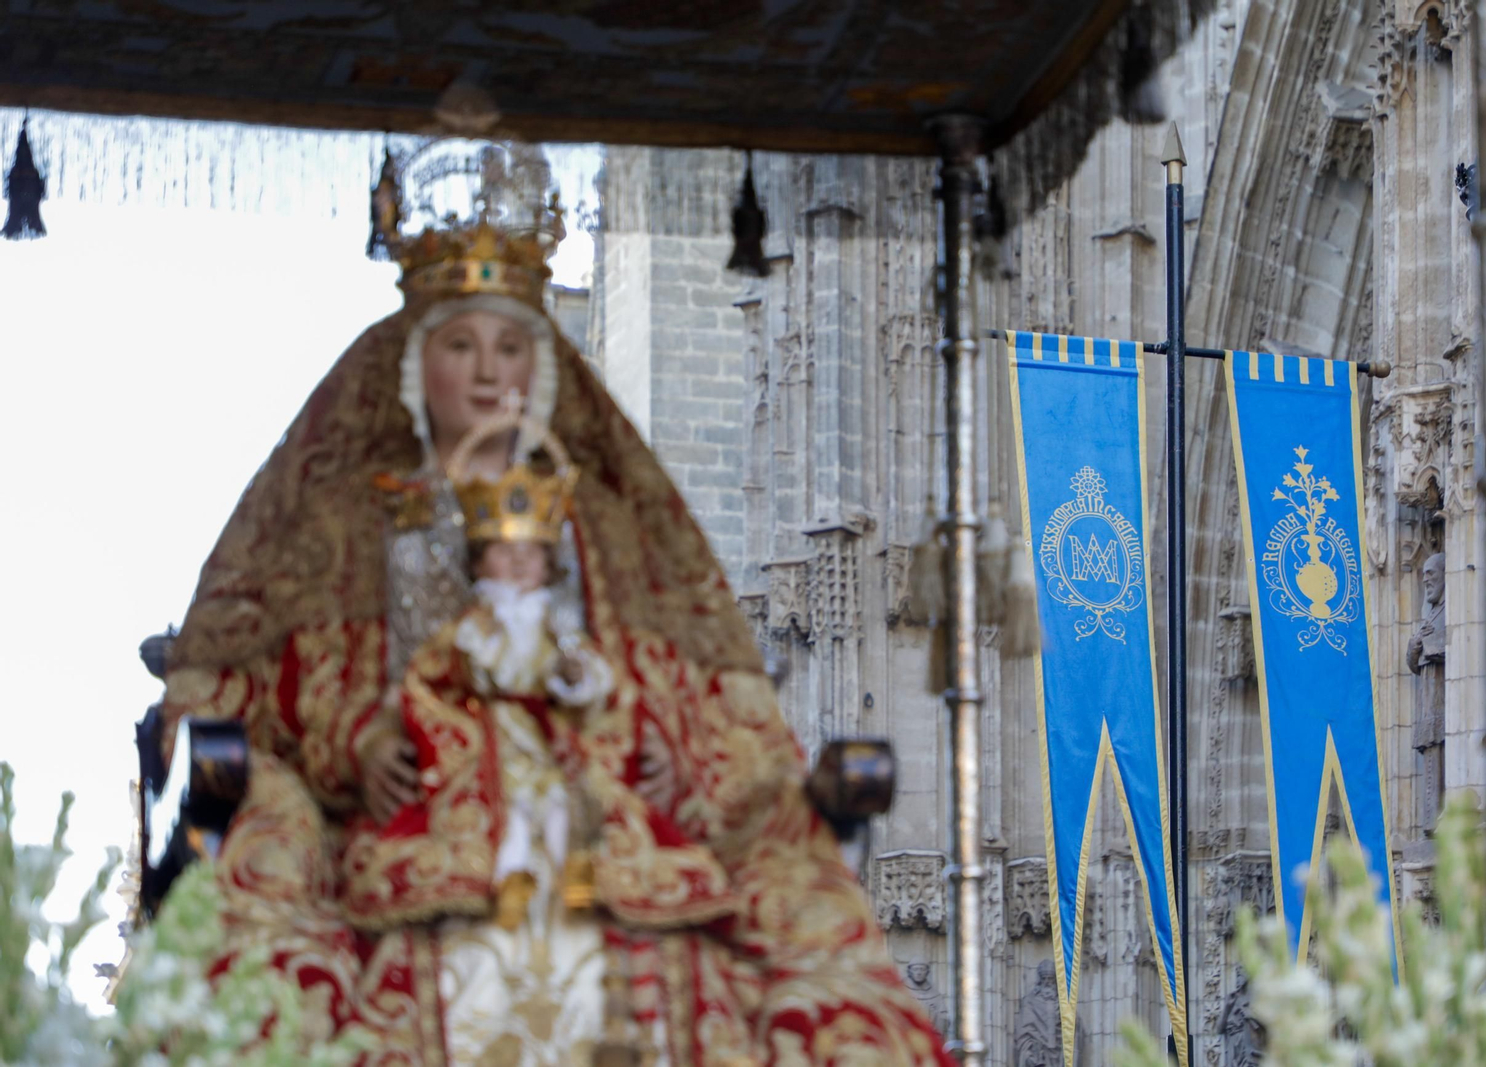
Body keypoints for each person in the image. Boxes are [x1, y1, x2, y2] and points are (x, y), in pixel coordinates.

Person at [157, 140, 949, 1066]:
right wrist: (359, 743)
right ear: (418, 364)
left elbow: (686, 696)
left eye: (512, 346)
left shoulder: (607, 525)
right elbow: (265, 690)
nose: (491, 373)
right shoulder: (343, 516)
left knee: (771, 956)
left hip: (599, 829)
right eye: (461, 345)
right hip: (413, 827)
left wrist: (673, 756)